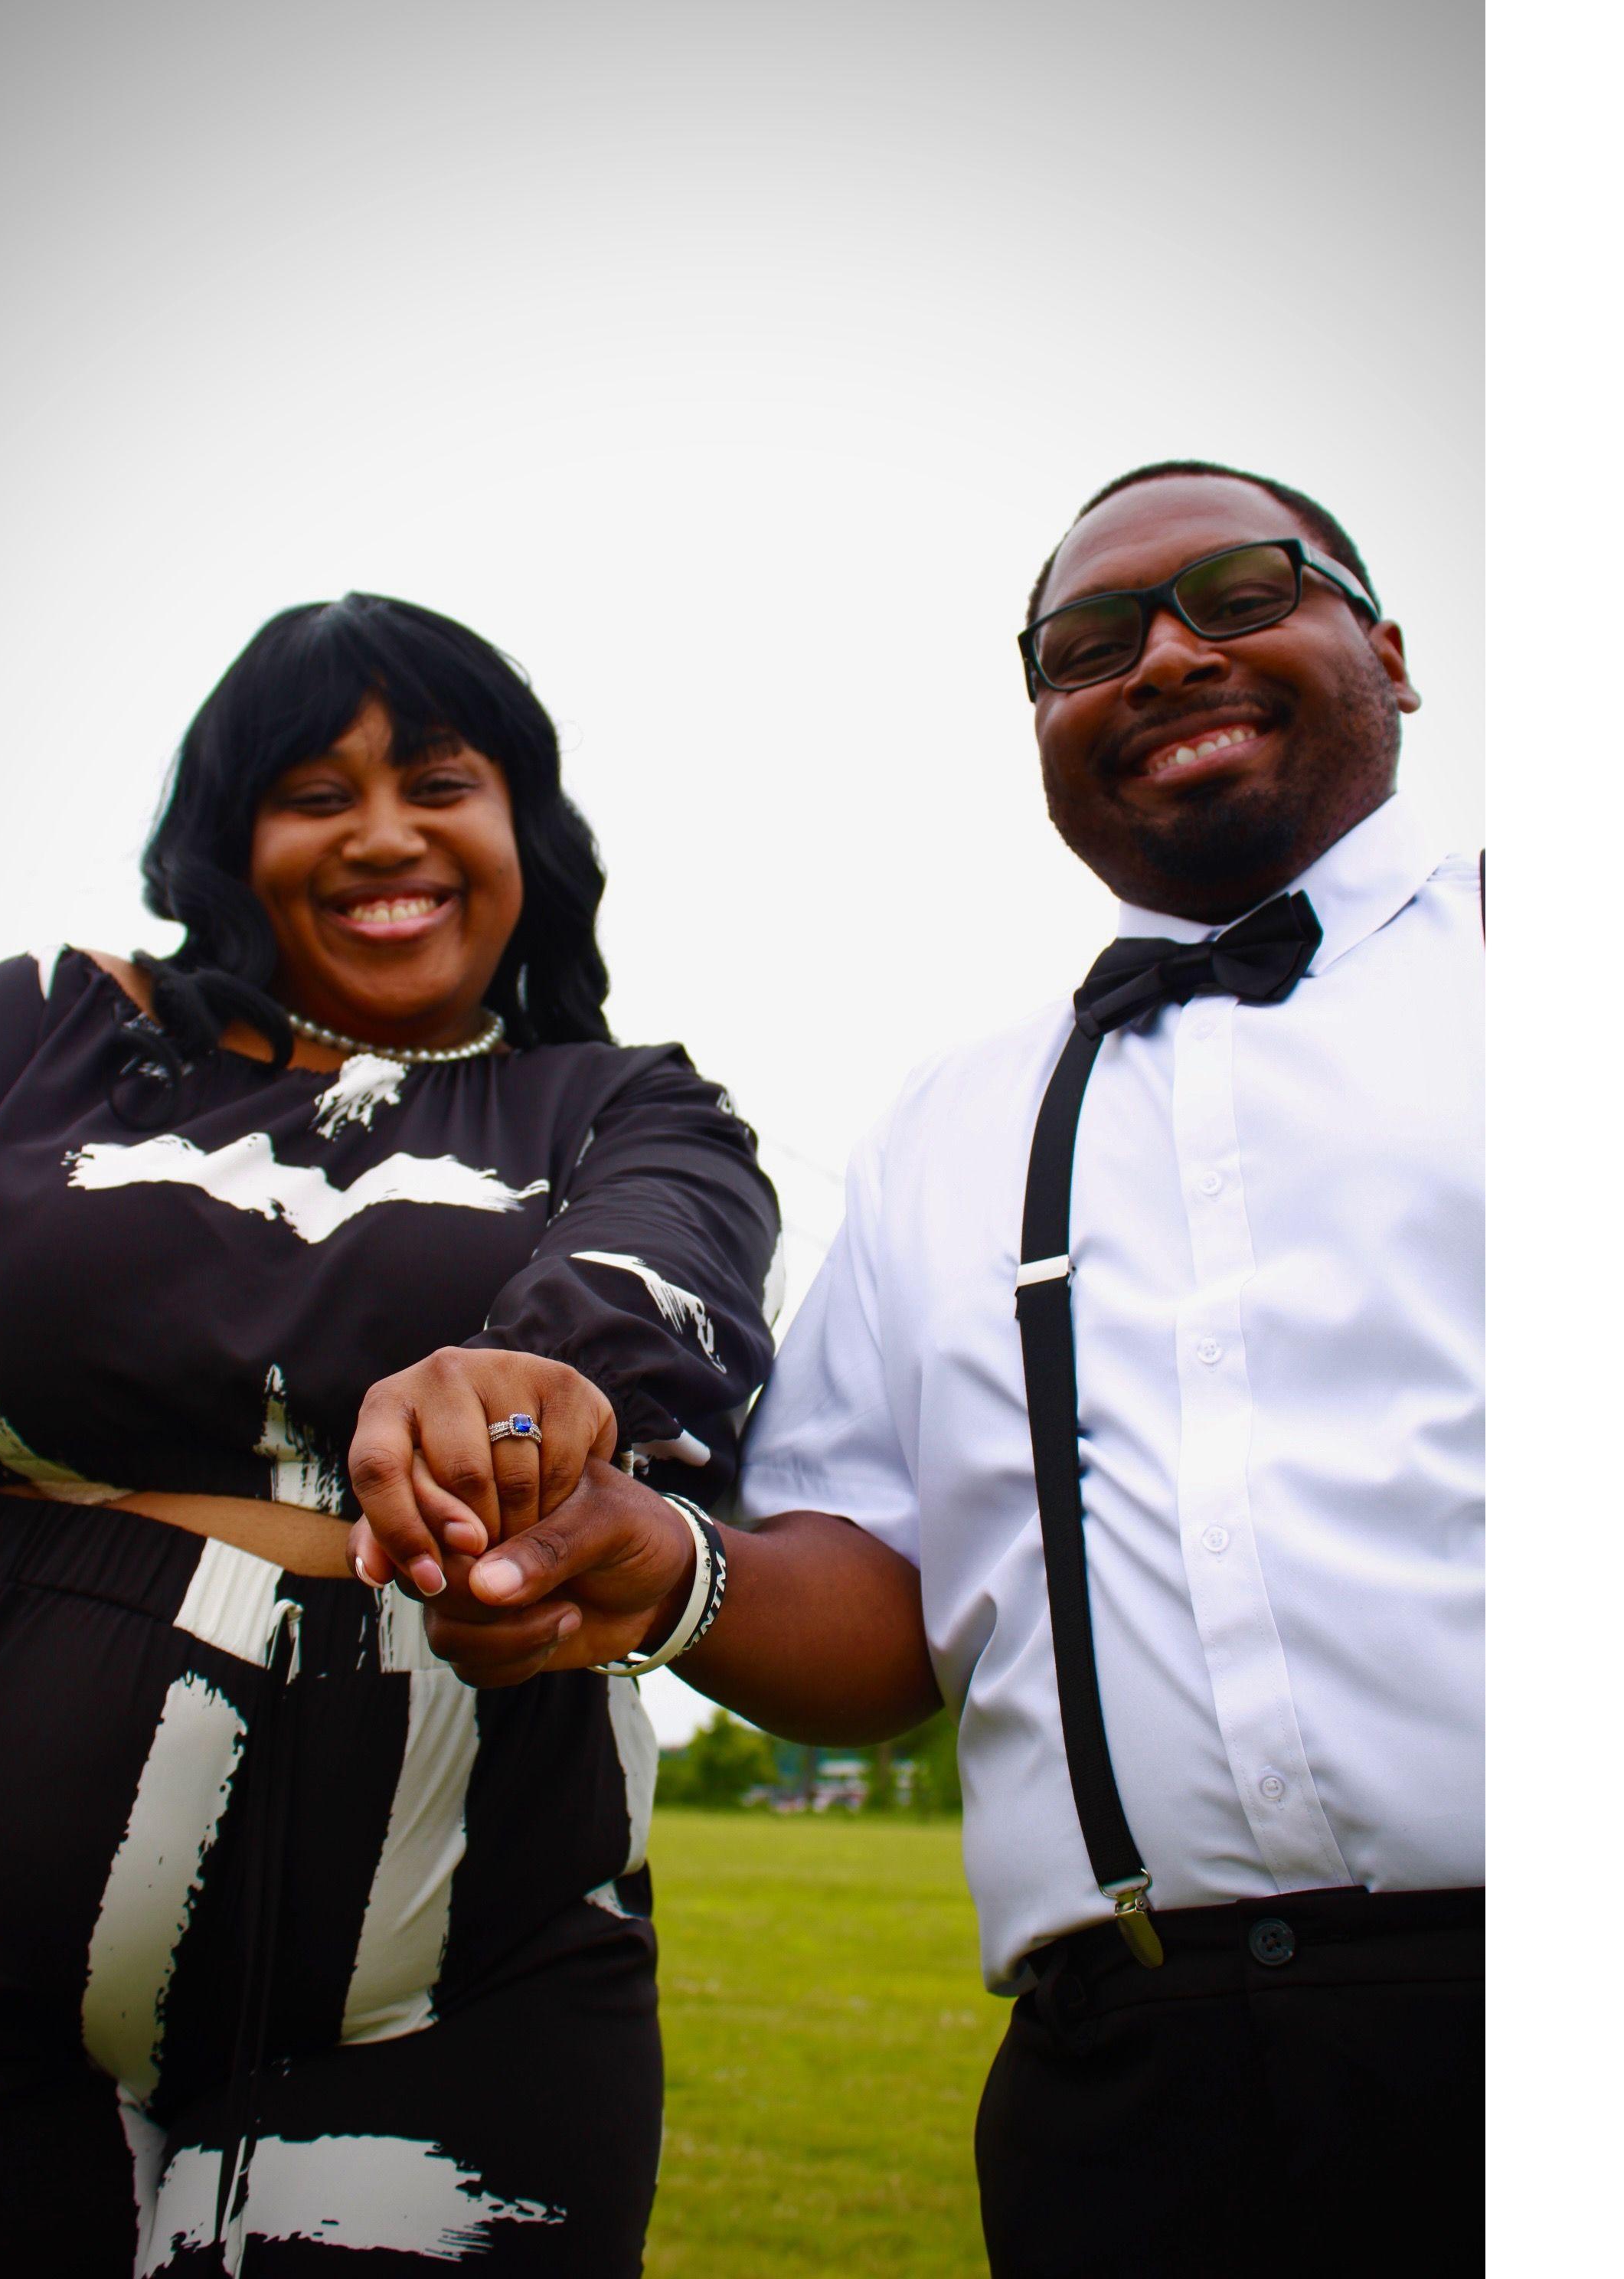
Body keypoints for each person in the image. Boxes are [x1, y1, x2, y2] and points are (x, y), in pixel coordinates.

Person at [363, 463, 1485, 2276]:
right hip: (1129, 2093)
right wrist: (659, 1564)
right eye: (1090, 644)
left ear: (1393, 651)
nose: (1168, 657)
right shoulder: (949, 1129)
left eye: (1238, 590)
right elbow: (881, 1605)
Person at [0, 593, 779, 2276]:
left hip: (465, 2005)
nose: (384, 834)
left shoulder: (624, 1102)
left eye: (437, 781)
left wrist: (524, 1387)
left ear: (520, 831)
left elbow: (665, 1271)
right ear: (229, 839)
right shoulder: (46, 1029)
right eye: (314, 794)